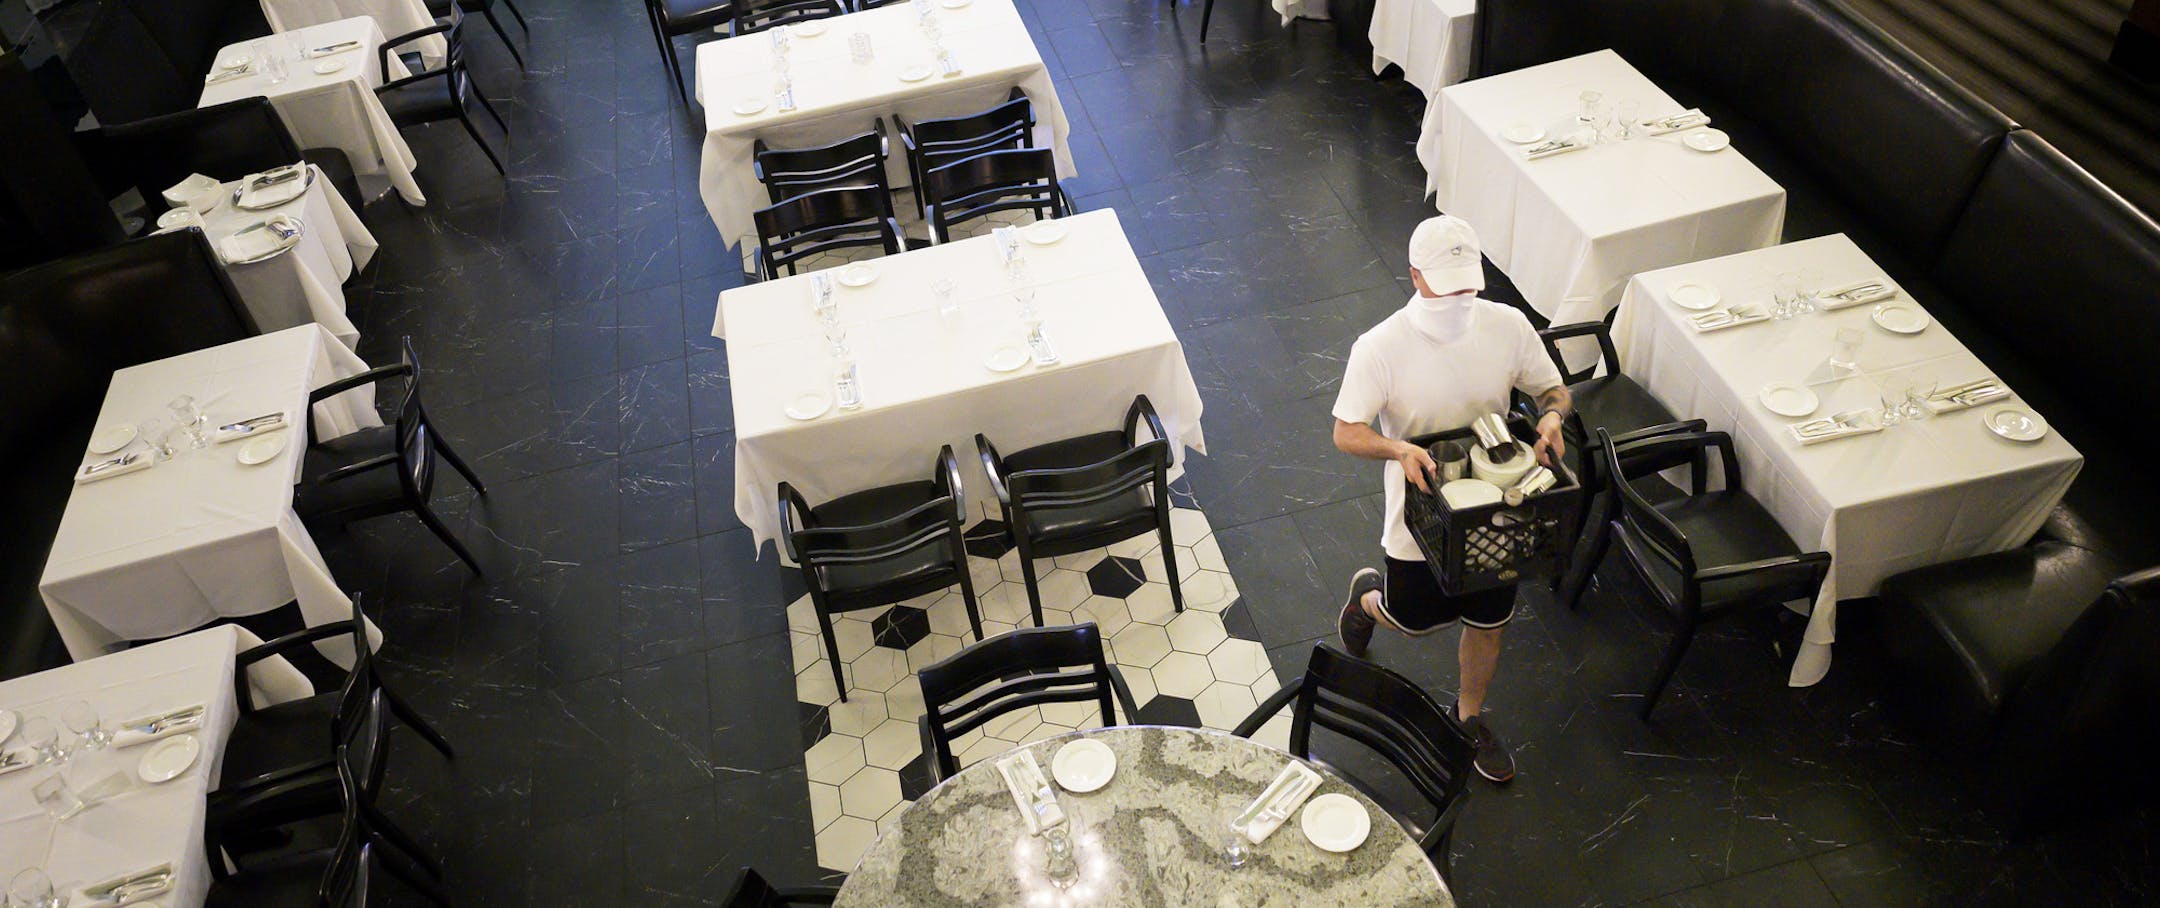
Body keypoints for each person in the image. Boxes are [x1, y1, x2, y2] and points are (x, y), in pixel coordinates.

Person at [1328, 214, 1570, 784]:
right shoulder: (1380, 347)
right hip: (1422, 510)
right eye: (1446, 284)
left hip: (1496, 507)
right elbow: (1345, 431)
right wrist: (1397, 449)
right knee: (1413, 618)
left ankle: (1468, 716)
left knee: (1489, 619)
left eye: (1467, 283)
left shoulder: (1507, 325)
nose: (1460, 297)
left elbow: (1553, 389)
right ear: (1415, 276)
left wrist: (1553, 417)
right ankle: (1367, 600)